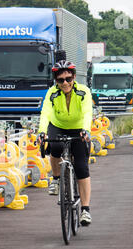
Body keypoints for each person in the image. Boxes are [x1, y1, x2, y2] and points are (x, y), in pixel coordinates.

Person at [37, 60, 93, 226]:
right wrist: (42, 131)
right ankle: (56, 178)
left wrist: (85, 130)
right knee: (54, 146)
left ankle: (85, 210)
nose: (65, 83)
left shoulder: (83, 91)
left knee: (82, 167)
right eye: (61, 80)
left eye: (68, 79)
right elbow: (45, 112)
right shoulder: (52, 93)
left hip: (78, 128)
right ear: (56, 81)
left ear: (74, 77)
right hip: (58, 126)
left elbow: (87, 112)